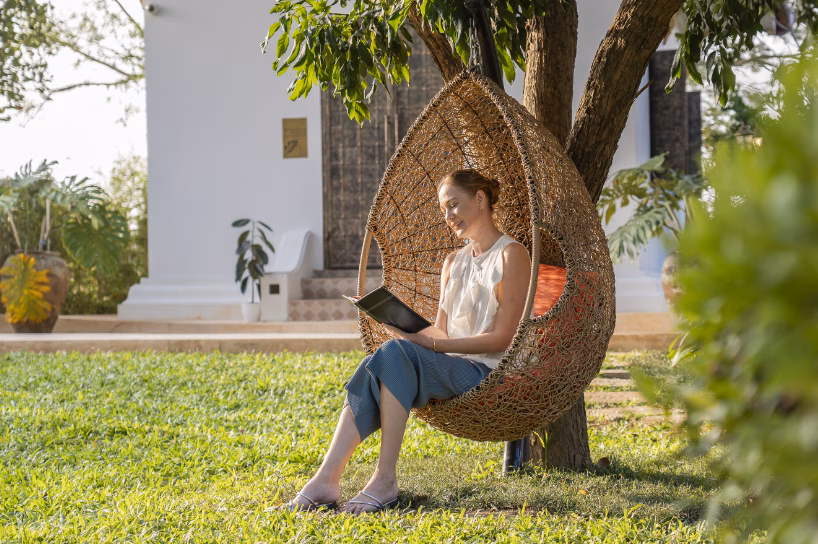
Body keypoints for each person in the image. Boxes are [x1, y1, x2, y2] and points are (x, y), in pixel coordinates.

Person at [282, 169, 532, 514]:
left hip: (489, 372)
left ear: (480, 200)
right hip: (451, 363)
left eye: (454, 205)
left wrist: (428, 346)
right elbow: (443, 334)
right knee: (379, 362)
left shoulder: (511, 255)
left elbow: (505, 337)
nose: (448, 217)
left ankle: (382, 480)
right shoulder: (453, 262)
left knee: (393, 357)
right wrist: (405, 330)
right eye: (443, 209)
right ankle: (327, 477)